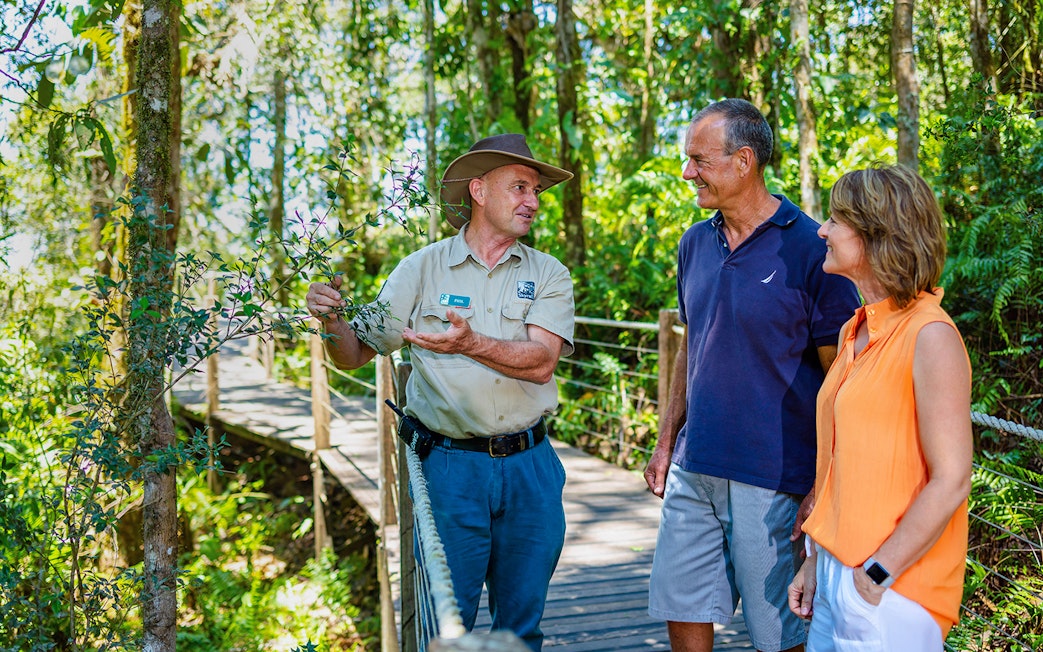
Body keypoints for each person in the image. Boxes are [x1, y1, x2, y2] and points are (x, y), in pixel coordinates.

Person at [305, 134, 575, 651]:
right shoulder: (420, 268)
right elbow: (356, 352)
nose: (533, 202)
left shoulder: (548, 274)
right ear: (478, 190)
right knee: (445, 629)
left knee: (522, 630)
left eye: (536, 191)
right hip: (450, 469)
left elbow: (542, 364)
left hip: (531, 468)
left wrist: (470, 342)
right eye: (520, 187)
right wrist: (333, 319)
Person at [644, 98, 862, 652]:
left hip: (773, 476)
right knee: (681, 604)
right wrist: (667, 438)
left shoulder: (813, 250)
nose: (688, 172)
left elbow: (840, 378)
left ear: (744, 161)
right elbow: (693, 345)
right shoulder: (694, 243)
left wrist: (825, 480)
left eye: (699, 160)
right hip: (695, 464)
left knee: (777, 634)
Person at [787, 165, 972, 651]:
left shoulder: (930, 335)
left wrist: (874, 575)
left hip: (890, 588)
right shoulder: (855, 330)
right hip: (836, 572)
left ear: (876, 234)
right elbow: (841, 467)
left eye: (834, 220)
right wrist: (816, 560)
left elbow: (952, 478)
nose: (822, 230)